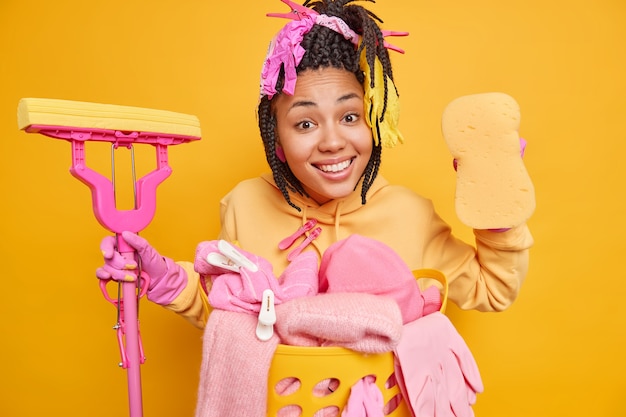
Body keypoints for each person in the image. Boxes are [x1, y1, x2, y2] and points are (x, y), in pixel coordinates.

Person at [97, 0, 534, 411]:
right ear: (278, 141)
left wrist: (498, 211)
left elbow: (492, 289)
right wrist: (168, 281)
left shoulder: (409, 213)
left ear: (375, 119)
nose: (331, 141)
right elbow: (232, 315)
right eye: (305, 122)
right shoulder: (246, 204)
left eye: (349, 116)